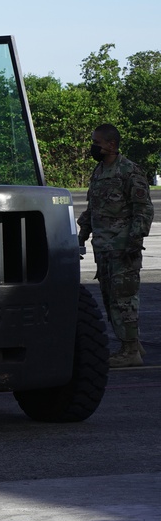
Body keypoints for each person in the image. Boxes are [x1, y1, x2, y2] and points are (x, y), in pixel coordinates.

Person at [77, 123, 154, 367]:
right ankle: (132, 343)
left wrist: (134, 241)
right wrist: (82, 235)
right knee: (111, 298)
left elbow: (143, 210)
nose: (93, 147)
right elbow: (93, 209)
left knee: (124, 298)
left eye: (97, 143)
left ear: (111, 145)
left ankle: (129, 351)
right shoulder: (99, 171)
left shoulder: (129, 171)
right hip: (104, 248)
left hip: (123, 248)